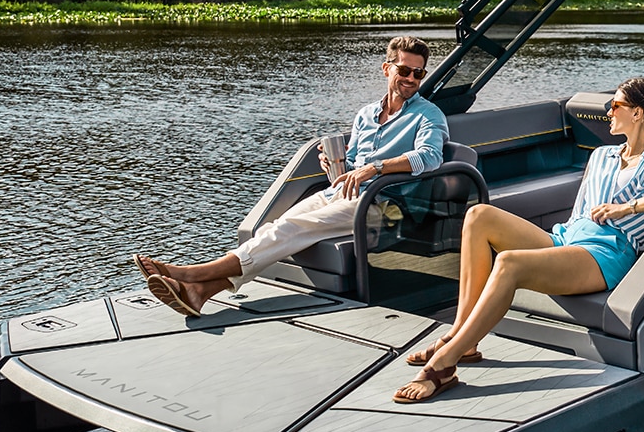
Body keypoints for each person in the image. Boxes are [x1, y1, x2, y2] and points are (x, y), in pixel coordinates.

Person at [398, 76, 644, 403]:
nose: (608, 112)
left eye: (615, 105)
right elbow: (580, 210)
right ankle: (462, 336)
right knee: (478, 216)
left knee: (509, 263)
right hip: (569, 238)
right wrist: (561, 243)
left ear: (638, 113)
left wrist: (625, 209)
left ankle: (444, 363)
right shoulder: (602, 155)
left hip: (607, 252)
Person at [137, 35, 447, 316]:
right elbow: (352, 162)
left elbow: (430, 157)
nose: (411, 79)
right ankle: (200, 293)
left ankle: (194, 274)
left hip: (384, 204)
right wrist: (334, 166)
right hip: (345, 193)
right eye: (404, 71)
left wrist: (374, 168)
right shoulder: (366, 115)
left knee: (290, 226)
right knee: (272, 227)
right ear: (386, 68)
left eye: (418, 73)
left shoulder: (428, 115)